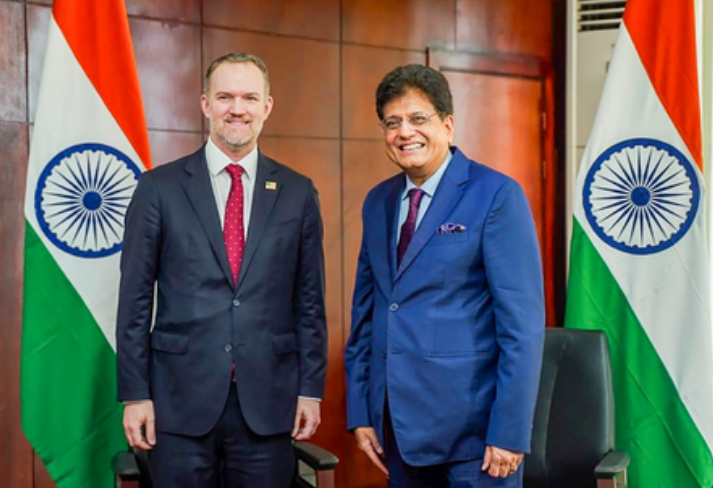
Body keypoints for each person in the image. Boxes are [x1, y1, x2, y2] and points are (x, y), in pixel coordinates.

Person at [116, 53, 327, 488]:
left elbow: (309, 302)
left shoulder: (298, 192)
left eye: (249, 98)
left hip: (269, 404)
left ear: (267, 106)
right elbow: (134, 300)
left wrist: (310, 389)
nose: (237, 109)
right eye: (225, 97)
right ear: (205, 104)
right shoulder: (158, 188)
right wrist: (135, 394)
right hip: (177, 404)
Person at [344, 64, 545, 487]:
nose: (405, 132)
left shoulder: (496, 195)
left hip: (477, 440)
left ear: (448, 124)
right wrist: (361, 411)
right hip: (398, 431)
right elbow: (366, 315)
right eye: (392, 122)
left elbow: (522, 328)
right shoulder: (378, 202)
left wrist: (509, 432)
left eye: (418, 118)